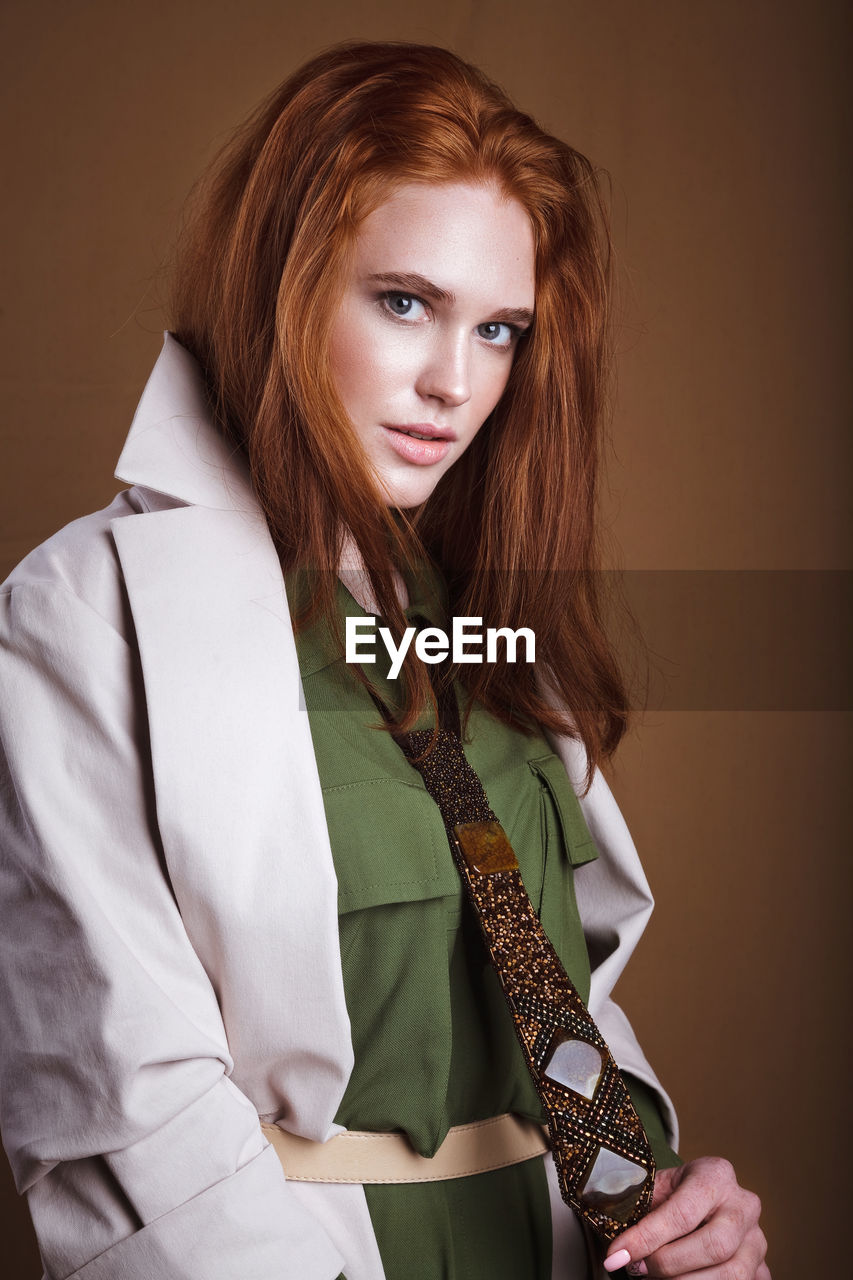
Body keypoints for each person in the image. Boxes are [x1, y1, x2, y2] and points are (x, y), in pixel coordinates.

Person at [0, 40, 769, 1280]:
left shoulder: (477, 603)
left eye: (501, 328)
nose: (453, 385)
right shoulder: (85, 610)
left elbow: (554, 990)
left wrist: (674, 1204)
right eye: (404, 301)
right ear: (285, 288)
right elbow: (124, 1109)